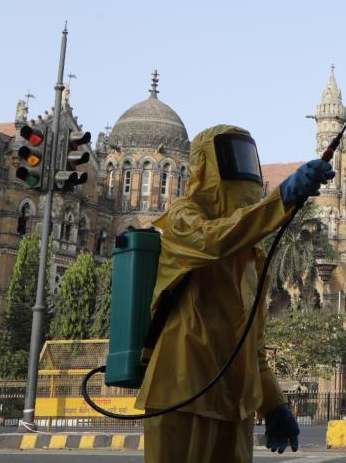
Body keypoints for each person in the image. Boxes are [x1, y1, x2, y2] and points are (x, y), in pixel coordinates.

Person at [136, 124, 335, 462]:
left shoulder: (253, 258)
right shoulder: (183, 219)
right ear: (206, 168)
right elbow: (214, 240)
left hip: (234, 405)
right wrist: (282, 199)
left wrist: (273, 404)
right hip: (183, 392)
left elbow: (250, 343)